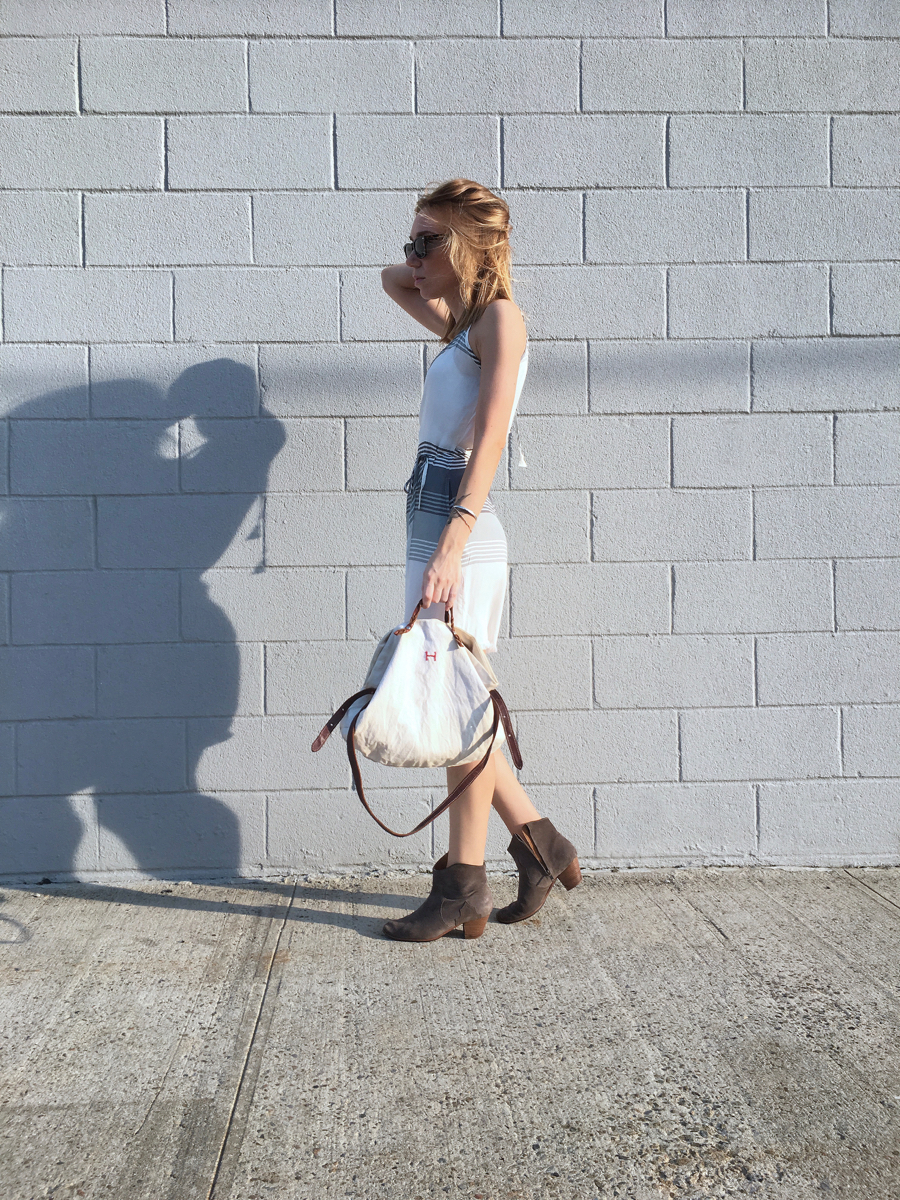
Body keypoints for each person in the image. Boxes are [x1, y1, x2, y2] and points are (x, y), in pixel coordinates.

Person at [379, 179, 582, 943]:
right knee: (451, 699)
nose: (412, 257)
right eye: (412, 239)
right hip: (429, 524)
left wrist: (453, 544)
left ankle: (463, 884)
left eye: (429, 240)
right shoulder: (463, 324)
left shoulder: (501, 320)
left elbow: (490, 438)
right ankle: (539, 843)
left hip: (459, 532)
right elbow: (389, 280)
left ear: (469, 244)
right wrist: (429, 253)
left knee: (453, 703)